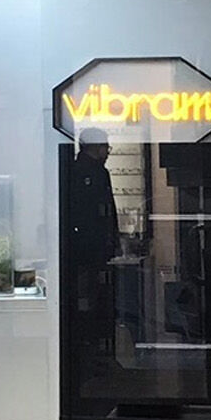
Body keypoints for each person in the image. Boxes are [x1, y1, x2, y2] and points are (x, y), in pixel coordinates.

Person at [67, 127, 119, 359]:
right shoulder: (83, 172)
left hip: (91, 247)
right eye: (105, 147)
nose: (107, 152)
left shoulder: (93, 171)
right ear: (96, 148)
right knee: (90, 297)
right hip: (88, 248)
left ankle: (94, 347)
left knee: (94, 296)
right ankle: (91, 346)